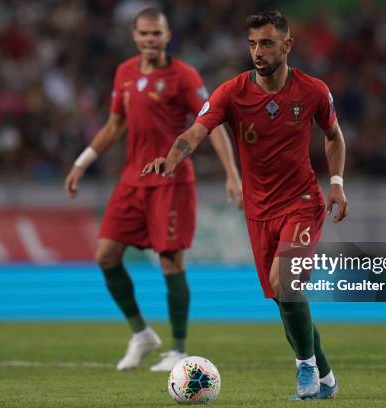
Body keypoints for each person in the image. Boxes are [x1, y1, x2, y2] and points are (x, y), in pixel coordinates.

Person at [142, 10, 347, 399]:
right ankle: (326, 379)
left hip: (302, 202)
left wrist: (336, 184)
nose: (257, 51)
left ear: (287, 45)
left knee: (283, 282)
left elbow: (334, 137)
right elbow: (196, 131)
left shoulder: (313, 91)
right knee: (284, 298)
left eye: (267, 43)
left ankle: (305, 370)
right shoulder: (232, 92)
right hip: (259, 211)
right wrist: (170, 159)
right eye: (252, 44)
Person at [65, 8, 242, 372]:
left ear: (167, 35)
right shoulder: (125, 73)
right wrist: (83, 162)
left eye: (155, 34)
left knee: (170, 262)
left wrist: (232, 173)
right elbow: (115, 125)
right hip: (131, 181)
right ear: (134, 35)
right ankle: (142, 334)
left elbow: (213, 123)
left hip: (171, 181)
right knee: (106, 256)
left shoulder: (184, 76)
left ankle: (177, 349)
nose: (149, 40)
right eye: (143, 34)